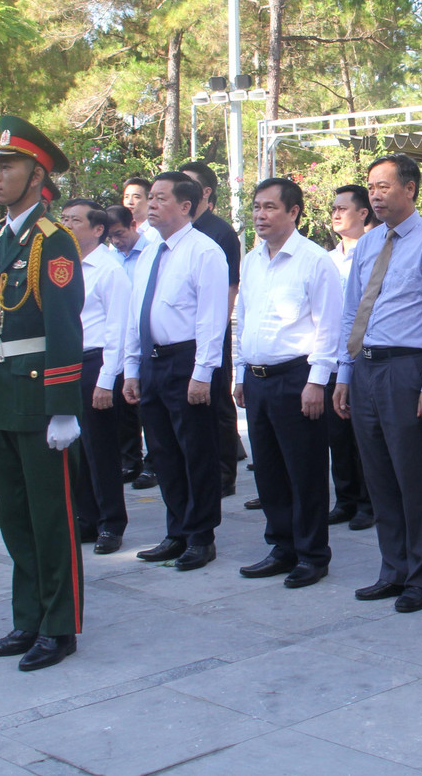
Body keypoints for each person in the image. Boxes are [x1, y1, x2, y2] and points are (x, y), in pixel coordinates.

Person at [0, 116, 86, 672]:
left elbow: (65, 327)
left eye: (8, 166)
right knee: (14, 514)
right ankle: (28, 619)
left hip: (42, 394)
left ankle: (59, 626)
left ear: (36, 174)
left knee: (49, 517)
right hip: (4, 391)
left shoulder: (53, 240)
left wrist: (64, 407)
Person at [333, 152, 422, 614]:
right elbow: (351, 312)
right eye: (372, 186)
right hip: (364, 368)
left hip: (407, 370)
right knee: (379, 477)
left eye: (385, 186)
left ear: (410, 189)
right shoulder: (367, 244)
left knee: (412, 477)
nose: (376, 194)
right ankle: (393, 569)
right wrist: (345, 373)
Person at [233, 178, 342, 588]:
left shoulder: (314, 261)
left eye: (270, 208)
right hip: (258, 378)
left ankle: (312, 554)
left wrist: (317, 383)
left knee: (306, 470)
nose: (260, 215)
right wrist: (241, 370)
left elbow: (329, 326)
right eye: (257, 207)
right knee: (269, 470)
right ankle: (282, 545)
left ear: (293, 212)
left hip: (298, 377)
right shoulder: (251, 260)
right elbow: (243, 316)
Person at [123, 172, 229, 572]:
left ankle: (201, 536)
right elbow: (137, 312)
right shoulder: (150, 250)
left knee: (195, 452)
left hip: (187, 361)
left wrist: (202, 373)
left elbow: (211, 318)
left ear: (185, 206)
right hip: (152, 361)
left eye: (161, 198)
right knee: (163, 450)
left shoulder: (204, 251)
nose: (151, 204)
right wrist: (132, 368)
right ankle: (177, 530)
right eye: (149, 197)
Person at [60, 199, 131, 555]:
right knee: (73, 446)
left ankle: (110, 523)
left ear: (98, 229)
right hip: (67, 363)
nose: (67, 225)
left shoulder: (108, 268)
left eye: (75, 220)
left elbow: (118, 327)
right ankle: (84, 518)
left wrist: (107, 379)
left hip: (96, 362)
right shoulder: (64, 266)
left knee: (100, 449)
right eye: (64, 219)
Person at [181, 161, 245, 500]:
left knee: (218, 401)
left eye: (187, 184)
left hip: (212, 332)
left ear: (205, 192)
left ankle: (224, 471)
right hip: (182, 338)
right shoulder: (179, 233)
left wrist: (216, 332)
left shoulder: (218, 232)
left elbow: (230, 288)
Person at [325, 184, 376, 530]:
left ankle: (368, 502)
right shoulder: (326, 260)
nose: (336, 214)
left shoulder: (375, 254)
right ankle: (344, 498)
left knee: (364, 436)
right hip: (331, 356)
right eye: (333, 209)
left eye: (344, 208)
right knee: (337, 434)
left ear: (363, 213)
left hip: (364, 355)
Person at [106, 204, 154, 489]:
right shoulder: (111, 259)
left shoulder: (151, 253)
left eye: (121, 233)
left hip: (146, 339)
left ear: (134, 225)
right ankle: (130, 461)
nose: (117, 241)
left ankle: (153, 464)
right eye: (111, 236)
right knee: (125, 406)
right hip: (121, 339)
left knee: (148, 408)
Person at [122, 175, 160, 241]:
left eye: (136, 197)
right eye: (126, 197)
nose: (130, 202)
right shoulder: (119, 232)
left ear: (149, 199)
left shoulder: (157, 231)